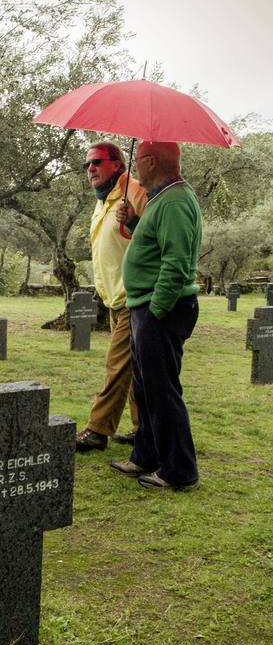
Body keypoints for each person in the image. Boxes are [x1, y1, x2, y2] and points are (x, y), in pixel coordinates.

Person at [111, 141, 202, 490]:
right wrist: (134, 222)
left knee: (162, 390)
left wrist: (157, 310)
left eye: (136, 160)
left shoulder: (176, 200)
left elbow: (177, 261)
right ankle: (145, 456)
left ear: (150, 160)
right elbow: (154, 245)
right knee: (145, 388)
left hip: (159, 308)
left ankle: (180, 472)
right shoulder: (160, 200)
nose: (134, 166)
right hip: (145, 306)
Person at [76, 142, 148, 452]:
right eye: (86, 164)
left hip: (133, 296)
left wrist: (133, 219)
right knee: (135, 367)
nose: (90, 168)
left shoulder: (135, 193)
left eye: (96, 162)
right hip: (113, 298)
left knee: (117, 366)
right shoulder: (103, 199)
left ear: (117, 164)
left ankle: (97, 430)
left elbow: (153, 237)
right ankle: (142, 427)